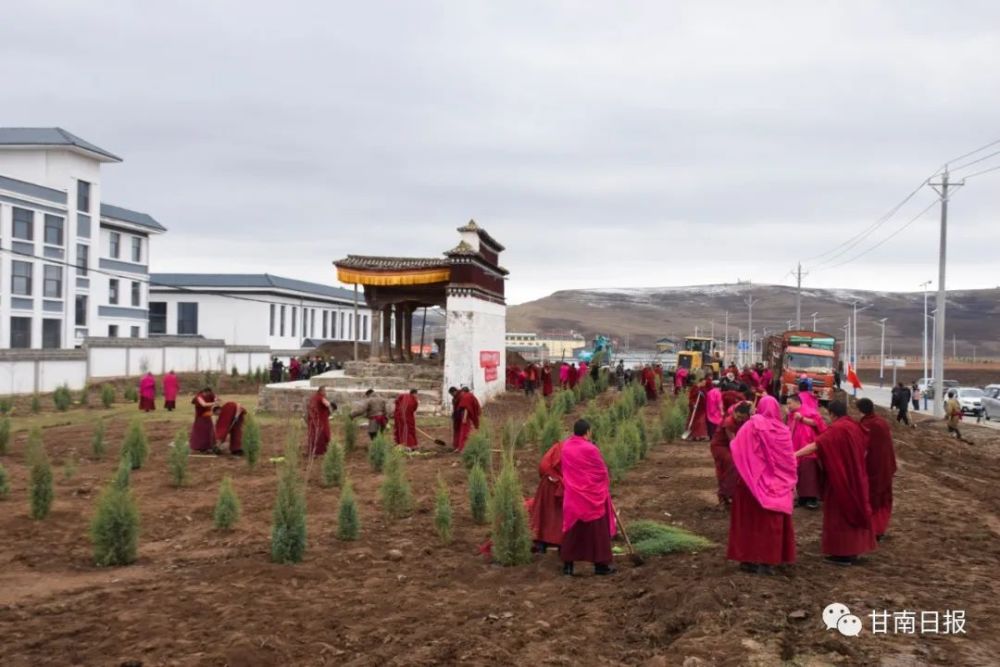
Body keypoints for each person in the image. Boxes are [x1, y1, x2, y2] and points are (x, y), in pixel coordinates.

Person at [795, 400, 876, 565]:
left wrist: (794, 455)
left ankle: (842, 554)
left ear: (832, 414)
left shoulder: (837, 429)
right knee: (856, 507)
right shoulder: (854, 426)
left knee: (839, 515)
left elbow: (817, 445)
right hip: (857, 477)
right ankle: (853, 551)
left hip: (841, 479)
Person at [727, 396, 797, 575]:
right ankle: (769, 561)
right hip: (778, 486)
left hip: (752, 483)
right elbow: (789, 460)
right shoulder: (783, 430)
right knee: (771, 524)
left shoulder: (750, 426)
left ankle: (749, 559)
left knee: (750, 523)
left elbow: (737, 448)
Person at [560, 419, 616, 576]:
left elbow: (565, 469)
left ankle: (568, 568)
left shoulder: (566, 447)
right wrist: (603, 486)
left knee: (572, 532)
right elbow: (601, 472)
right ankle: (600, 566)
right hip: (591, 498)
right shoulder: (591, 449)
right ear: (587, 432)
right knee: (596, 533)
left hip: (572, 496)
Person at [857, 398, 896, 542]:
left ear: (861, 410)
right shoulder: (882, 422)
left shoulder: (867, 425)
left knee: (873, 498)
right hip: (885, 466)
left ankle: (875, 530)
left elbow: (862, 448)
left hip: (873, 467)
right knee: (883, 497)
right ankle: (880, 529)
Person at [787, 392, 827, 510]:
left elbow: (818, 423)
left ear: (797, 402)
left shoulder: (809, 411)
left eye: (789, 403)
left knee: (809, 473)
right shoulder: (790, 414)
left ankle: (812, 498)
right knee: (799, 473)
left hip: (808, 446)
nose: (788, 405)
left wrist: (802, 419)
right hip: (796, 446)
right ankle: (802, 498)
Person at [709, 402, 751, 505]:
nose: (739, 419)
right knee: (732, 464)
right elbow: (733, 441)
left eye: (742, 418)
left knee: (733, 467)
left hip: (731, 445)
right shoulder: (729, 422)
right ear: (734, 412)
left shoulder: (745, 420)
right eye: (738, 416)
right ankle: (724, 494)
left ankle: (729, 493)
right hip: (720, 446)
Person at [530, 435, 564, 552]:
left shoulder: (559, 446)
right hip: (558, 485)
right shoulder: (563, 448)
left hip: (550, 483)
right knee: (557, 517)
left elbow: (543, 466)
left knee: (545, 513)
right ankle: (559, 545)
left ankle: (542, 544)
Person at [307, 386, 336, 456]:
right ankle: (321, 451)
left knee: (313, 435)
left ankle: (313, 451)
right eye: (325, 391)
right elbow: (328, 405)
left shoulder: (312, 398)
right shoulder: (320, 398)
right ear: (321, 391)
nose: (326, 393)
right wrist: (332, 407)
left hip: (312, 420)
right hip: (321, 420)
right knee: (323, 435)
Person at [189, 387, 218, 453]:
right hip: (200, 417)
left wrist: (216, 399)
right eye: (208, 393)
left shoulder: (210, 394)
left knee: (209, 430)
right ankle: (200, 447)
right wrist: (214, 403)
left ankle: (209, 446)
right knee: (201, 432)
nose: (209, 395)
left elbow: (215, 396)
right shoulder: (198, 397)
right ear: (205, 392)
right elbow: (204, 404)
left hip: (207, 415)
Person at [453, 387, 481, 452]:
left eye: (462, 392)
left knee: (465, 432)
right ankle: (461, 447)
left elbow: (466, 408)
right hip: (466, 416)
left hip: (466, 417)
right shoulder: (469, 396)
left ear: (464, 392)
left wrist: (464, 418)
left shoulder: (466, 397)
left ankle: (463, 448)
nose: (461, 394)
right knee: (465, 431)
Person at [686, 376, 710, 440]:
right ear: (700, 382)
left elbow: (706, 396)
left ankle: (700, 435)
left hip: (701, 408)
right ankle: (693, 435)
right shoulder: (695, 388)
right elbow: (691, 397)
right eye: (704, 382)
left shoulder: (702, 389)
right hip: (695, 408)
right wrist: (693, 404)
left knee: (701, 421)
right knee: (694, 421)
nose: (704, 384)